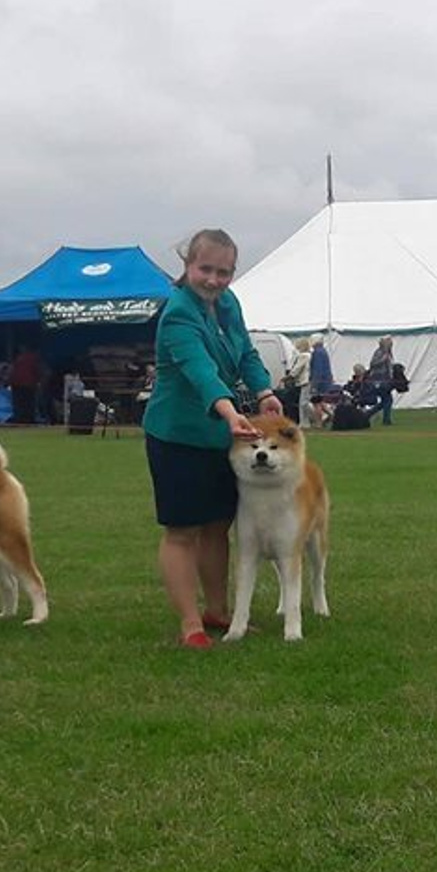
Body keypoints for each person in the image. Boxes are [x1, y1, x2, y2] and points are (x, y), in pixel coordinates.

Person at [142, 229, 282, 650]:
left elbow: (245, 354)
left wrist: (264, 392)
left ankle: (218, 611)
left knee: (218, 525)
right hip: (177, 435)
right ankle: (191, 625)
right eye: (206, 269)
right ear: (187, 266)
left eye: (224, 272)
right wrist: (228, 411)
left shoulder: (227, 304)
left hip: (221, 436)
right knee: (182, 529)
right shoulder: (178, 314)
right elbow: (200, 371)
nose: (214, 280)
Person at [9, 346, 44, 425]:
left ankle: (20, 419)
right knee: (28, 403)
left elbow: (13, 370)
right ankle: (27, 419)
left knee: (20, 403)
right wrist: (39, 381)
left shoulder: (19, 358)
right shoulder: (32, 358)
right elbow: (38, 370)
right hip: (28, 384)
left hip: (18, 384)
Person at [367, 334, 397, 426]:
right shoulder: (379, 352)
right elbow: (372, 364)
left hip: (385, 379)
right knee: (387, 399)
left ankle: (378, 416)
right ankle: (384, 419)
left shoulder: (387, 353)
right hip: (379, 380)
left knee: (386, 400)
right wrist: (383, 360)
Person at [282, 337, 310, 425]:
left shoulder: (303, 356)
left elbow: (297, 368)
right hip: (308, 380)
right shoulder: (310, 355)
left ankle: (304, 423)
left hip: (305, 381)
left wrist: (288, 376)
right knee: (305, 402)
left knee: (303, 403)